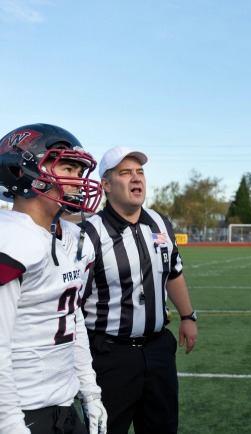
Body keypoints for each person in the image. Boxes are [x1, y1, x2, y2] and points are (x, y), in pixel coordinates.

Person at [80, 146, 198, 434]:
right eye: (125, 173)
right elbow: (74, 303)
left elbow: (173, 272)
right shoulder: (89, 233)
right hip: (110, 355)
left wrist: (187, 316)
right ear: (106, 185)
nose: (136, 179)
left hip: (158, 350)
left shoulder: (159, 222)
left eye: (140, 172)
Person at [0, 124, 107, 434]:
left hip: (63, 404)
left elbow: (73, 318)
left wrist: (89, 391)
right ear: (25, 170)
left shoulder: (75, 238)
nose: (78, 180)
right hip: (21, 409)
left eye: (79, 170)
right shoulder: (12, 237)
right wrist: (9, 424)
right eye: (68, 167)